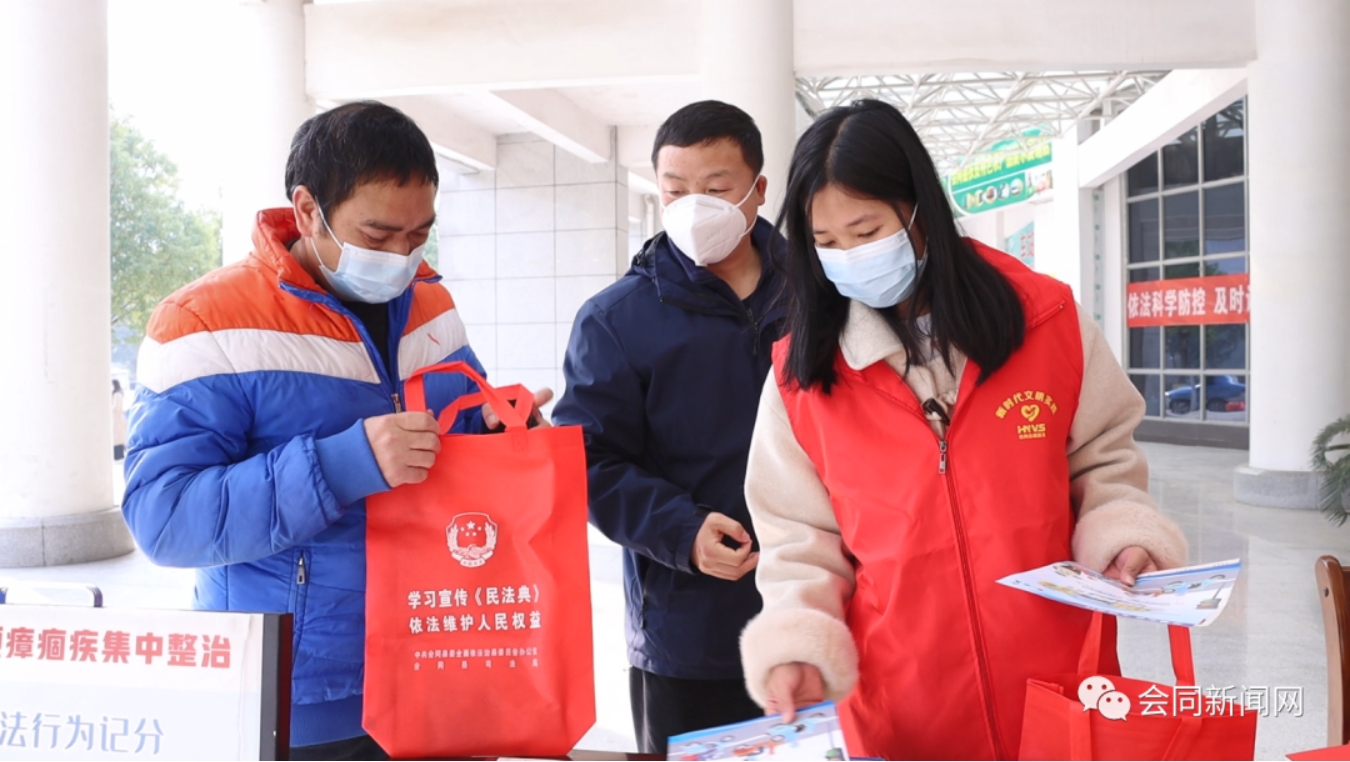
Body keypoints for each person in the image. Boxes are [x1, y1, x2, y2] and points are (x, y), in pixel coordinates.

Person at [736, 99, 1189, 760]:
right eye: (826, 243)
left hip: (1059, 682)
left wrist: (1122, 534)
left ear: (920, 210)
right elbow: (797, 539)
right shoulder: (802, 379)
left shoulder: (1045, 320)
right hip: (905, 706)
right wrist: (797, 645)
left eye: (866, 230)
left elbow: (1103, 458)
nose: (849, 257)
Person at [123, 101, 545, 760]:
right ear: (307, 209)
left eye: (419, 234)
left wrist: (500, 431)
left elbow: (458, 431)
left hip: (442, 658)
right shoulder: (205, 321)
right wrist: (342, 465)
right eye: (378, 235)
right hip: (300, 695)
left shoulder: (431, 303)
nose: (402, 257)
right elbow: (164, 517)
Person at [551, 100, 789, 754]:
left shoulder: (820, 296)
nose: (694, 208)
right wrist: (681, 532)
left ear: (758, 190)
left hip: (824, 615)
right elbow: (587, 459)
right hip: (691, 634)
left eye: (716, 189)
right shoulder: (617, 319)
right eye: (676, 191)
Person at [111, 379, 127, 461]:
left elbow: (116, 407)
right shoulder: (119, 393)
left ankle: (118, 455)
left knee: (117, 437)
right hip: (118, 417)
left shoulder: (116, 394)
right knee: (119, 436)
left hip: (117, 417)